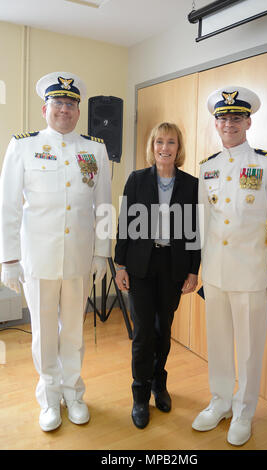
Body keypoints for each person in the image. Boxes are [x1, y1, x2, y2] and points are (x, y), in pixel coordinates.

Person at [0, 72, 111, 431]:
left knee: (74, 332)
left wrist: (101, 253)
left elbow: (104, 204)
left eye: (71, 104)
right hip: (39, 260)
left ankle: (73, 392)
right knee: (45, 332)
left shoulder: (95, 149)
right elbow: (9, 207)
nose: (64, 109)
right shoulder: (23, 146)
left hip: (78, 258)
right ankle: (49, 397)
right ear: (45, 108)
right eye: (58, 103)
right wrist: (9, 259)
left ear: (79, 110)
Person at [193, 86, 267, 445]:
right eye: (223, 118)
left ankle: (244, 410)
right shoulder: (208, 167)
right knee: (219, 343)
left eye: (236, 117)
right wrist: (198, 269)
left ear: (248, 121)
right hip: (217, 273)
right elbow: (202, 224)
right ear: (216, 125)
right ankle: (220, 401)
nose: (229, 124)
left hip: (253, 273)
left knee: (249, 348)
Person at [114, 122, 200, 429]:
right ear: (152, 146)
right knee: (143, 333)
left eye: (171, 142)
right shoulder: (137, 180)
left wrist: (193, 270)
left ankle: (158, 383)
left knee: (164, 330)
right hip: (140, 266)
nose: (165, 148)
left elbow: (194, 231)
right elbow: (124, 224)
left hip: (173, 267)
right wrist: (119, 265)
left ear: (179, 148)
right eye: (159, 142)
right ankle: (139, 396)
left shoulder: (191, 184)